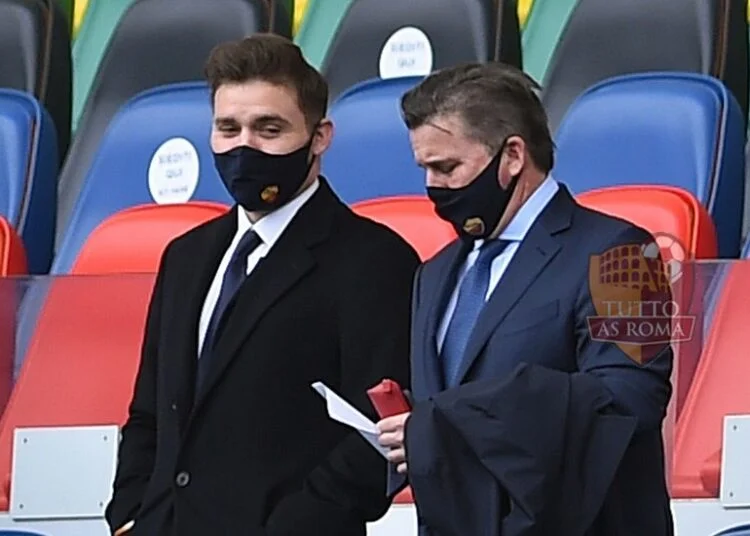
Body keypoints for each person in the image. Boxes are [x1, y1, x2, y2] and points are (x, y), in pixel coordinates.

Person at [106, 34, 420, 536]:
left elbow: (376, 435)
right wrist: (130, 514)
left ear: (320, 137)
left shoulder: (373, 260)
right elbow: (151, 412)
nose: (244, 146)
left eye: (268, 128)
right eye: (228, 128)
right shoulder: (186, 256)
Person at [377, 63, 674, 535]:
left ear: (513, 155)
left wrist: (450, 424)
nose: (431, 186)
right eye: (425, 169)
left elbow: (630, 397)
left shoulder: (625, 253)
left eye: (447, 167)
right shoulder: (432, 275)